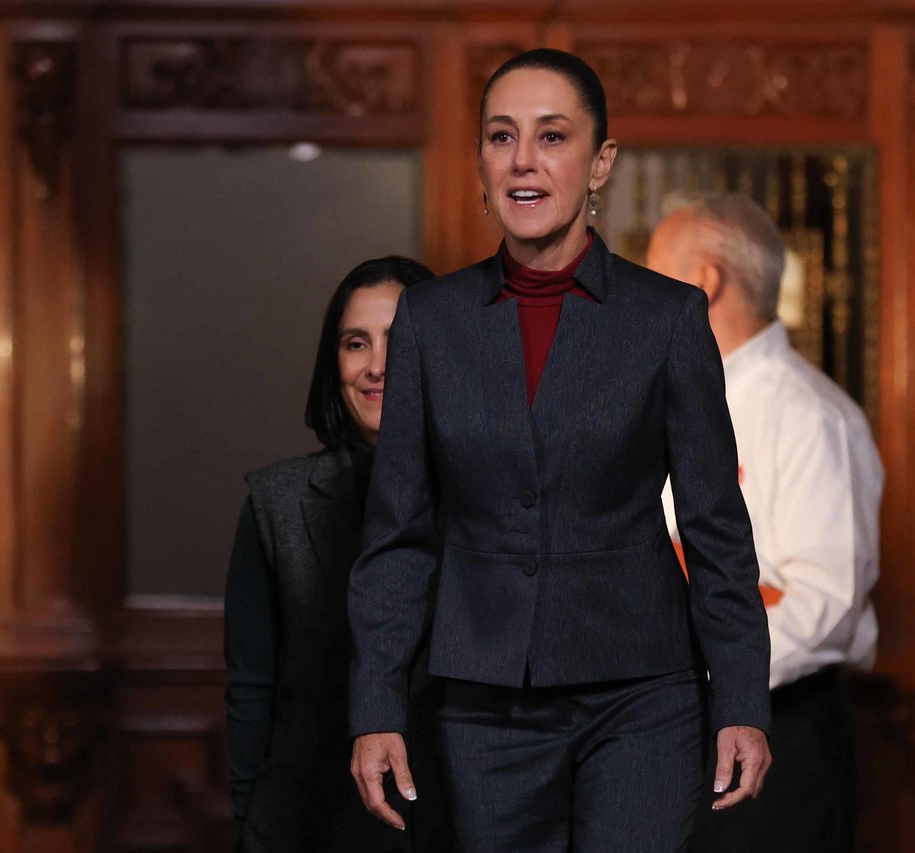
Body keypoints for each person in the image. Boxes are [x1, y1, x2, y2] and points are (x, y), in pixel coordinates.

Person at [347, 49, 772, 853]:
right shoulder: (431, 322)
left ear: (600, 161)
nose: (523, 160)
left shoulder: (668, 318)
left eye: (551, 136)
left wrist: (743, 699)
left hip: (643, 693)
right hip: (483, 702)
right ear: (481, 161)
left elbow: (716, 526)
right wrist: (375, 706)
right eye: (501, 136)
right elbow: (396, 537)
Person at [647, 194, 884, 853]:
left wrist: (684, 650)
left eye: (653, 272)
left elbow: (824, 605)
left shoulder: (812, 417)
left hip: (778, 731)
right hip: (664, 731)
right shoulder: (669, 399)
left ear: (704, 281)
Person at [223, 255, 452, 853]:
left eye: (398, 340)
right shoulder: (276, 504)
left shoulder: (490, 499)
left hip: (455, 823)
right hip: (306, 823)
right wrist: (248, 826)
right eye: (356, 344)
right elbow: (252, 691)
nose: (377, 365)